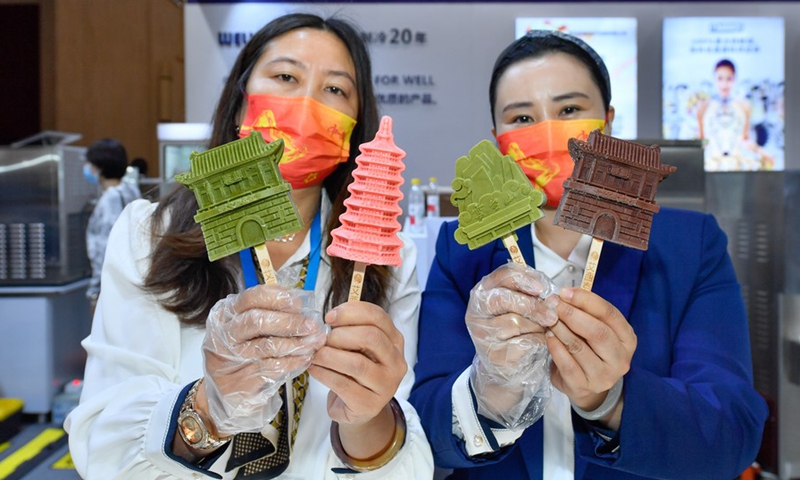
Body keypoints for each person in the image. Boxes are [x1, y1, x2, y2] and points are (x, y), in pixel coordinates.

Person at [65, 13, 433, 479]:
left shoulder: (386, 261)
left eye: (335, 90)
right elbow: (103, 449)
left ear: (353, 128)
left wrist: (368, 415)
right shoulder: (149, 233)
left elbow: (409, 467)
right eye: (285, 77)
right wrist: (211, 405)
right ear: (241, 103)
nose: (306, 103)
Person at [410, 30, 768, 479]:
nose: (548, 132)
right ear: (496, 138)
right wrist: (490, 390)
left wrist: (612, 401)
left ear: (608, 122)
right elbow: (425, 430)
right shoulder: (462, 254)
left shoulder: (689, 247)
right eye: (522, 118)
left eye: (570, 110)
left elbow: (731, 434)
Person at [83, 138, 141, 311]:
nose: (87, 168)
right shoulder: (131, 190)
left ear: (100, 167)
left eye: (90, 164)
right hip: (131, 283)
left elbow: (103, 250)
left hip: (110, 288)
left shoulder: (110, 200)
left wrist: (95, 292)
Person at [697, 59, 774, 171]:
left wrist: (762, 152)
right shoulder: (703, 107)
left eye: (729, 79)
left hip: (736, 167)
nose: (724, 84)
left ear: (735, 79)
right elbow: (702, 141)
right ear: (714, 79)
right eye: (720, 78)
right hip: (710, 167)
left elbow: (745, 139)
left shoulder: (744, 106)